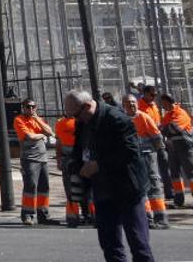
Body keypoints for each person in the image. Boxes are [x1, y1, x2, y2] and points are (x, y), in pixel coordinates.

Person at [65, 89, 154, 262]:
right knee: (109, 243)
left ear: (88, 106)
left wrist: (98, 165)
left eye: (76, 115)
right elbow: (79, 149)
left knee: (138, 242)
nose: (75, 119)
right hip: (103, 190)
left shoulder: (116, 118)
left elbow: (130, 152)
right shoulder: (83, 122)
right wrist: (76, 168)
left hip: (127, 188)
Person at [122, 95, 168, 229]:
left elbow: (156, 136)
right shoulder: (123, 119)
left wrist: (159, 152)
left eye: (133, 102)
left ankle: (161, 218)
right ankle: (147, 218)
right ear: (123, 105)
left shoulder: (143, 117)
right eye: (128, 102)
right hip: (134, 158)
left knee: (153, 183)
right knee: (141, 186)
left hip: (147, 156)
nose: (131, 104)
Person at [14, 99, 56, 225]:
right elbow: (30, 137)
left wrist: (37, 120)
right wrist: (42, 135)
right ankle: (27, 214)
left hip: (43, 158)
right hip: (30, 159)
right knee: (31, 186)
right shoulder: (19, 120)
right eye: (28, 107)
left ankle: (43, 214)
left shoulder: (38, 119)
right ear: (23, 108)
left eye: (33, 107)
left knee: (44, 187)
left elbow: (50, 131)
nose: (31, 109)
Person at [55, 111, 91, 227]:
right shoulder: (60, 123)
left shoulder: (83, 121)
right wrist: (59, 159)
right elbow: (58, 142)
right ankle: (73, 217)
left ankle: (89, 215)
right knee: (70, 189)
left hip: (82, 158)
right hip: (68, 159)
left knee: (87, 188)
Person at [158, 93, 193, 206]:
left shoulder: (181, 113)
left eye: (163, 102)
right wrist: (166, 128)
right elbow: (162, 129)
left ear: (168, 102)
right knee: (174, 173)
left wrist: (166, 128)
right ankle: (178, 200)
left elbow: (174, 129)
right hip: (172, 147)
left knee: (190, 172)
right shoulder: (168, 115)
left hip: (185, 146)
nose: (161, 105)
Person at [138, 85, 170, 201]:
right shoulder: (139, 107)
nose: (154, 97)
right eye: (152, 95)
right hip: (147, 143)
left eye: (155, 95)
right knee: (152, 170)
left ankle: (169, 192)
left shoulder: (153, 105)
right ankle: (152, 194)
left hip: (157, 139)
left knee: (164, 164)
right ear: (145, 94)